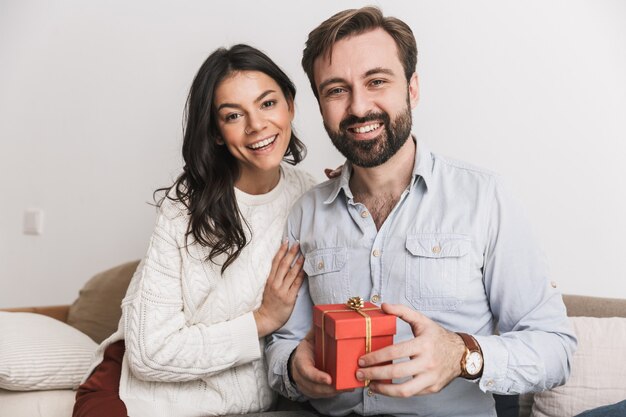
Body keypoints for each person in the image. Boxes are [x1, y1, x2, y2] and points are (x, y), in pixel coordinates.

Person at [266, 7, 577, 417]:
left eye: (376, 81)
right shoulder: (306, 212)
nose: (359, 107)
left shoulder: (484, 198)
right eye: (336, 90)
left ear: (412, 89)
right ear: (321, 105)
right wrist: (292, 367)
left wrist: (463, 354)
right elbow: (283, 342)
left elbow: (556, 347)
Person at [73, 44, 316, 417]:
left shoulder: (310, 197)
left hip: (234, 399)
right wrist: (262, 320)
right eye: (234, 115)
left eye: (267, 104)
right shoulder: (184, 207)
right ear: (217, 133)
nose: (257, 126)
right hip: (131, 393)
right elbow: (149, 354)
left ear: (290, 106)